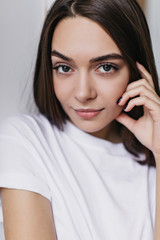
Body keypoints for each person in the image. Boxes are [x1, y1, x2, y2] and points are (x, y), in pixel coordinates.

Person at [0, 0, 160, 239]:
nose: (83, 93)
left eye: (105, 67)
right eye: (64, 68)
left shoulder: (152, 163)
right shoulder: (24, 141)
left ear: (137, 71)